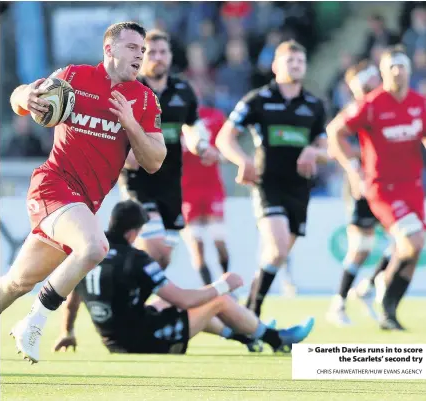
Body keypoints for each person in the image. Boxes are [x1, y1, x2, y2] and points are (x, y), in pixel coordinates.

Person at [0, 22, 167, 363]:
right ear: (109, 49)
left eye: (142, 50)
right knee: (95, 247)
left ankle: (29, 314)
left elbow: (155, 161)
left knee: (15, 283)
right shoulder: (75, 77)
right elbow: (21, 96)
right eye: (133, 47)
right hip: (53, 184)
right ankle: (34, 321)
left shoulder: (145, 99)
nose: (140, 54)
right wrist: (24, 96)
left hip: (82, 205)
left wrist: (131, 123)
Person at [52, 200, 315, 355]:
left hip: (112, 340)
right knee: (217, 302)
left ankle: (247, 337)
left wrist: (68, 331)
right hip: (140, 342)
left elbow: (73, 298)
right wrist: (223, 285)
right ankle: (276, 340)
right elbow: (184, 299)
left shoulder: (91, 252)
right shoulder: (136, 259)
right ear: (134, 233)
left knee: (166, 306)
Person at [216, 40, 329, 318]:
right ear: (276, 66)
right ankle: (252, 311)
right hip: (268, 185)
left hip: (300, 188)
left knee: (274, 257)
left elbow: (327, 150)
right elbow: (224, 138)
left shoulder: (314, 105)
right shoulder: (258, 100)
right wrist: (243, 160)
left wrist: (313, 151)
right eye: (290, 61)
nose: (296, 66)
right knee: (277, 251)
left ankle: (249, 310)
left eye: (300, 61)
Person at [327, 46, 426, 330]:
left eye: (401, 65)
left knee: (412, 250)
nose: (397, 70)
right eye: (391, 66)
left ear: (409, 69)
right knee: (409, 241)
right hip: (382, 188)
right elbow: (335, 131)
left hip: (413, 187)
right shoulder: (370, 104)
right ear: (383, 73)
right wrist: (353, 169)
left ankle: (388, 310)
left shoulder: (420, 103)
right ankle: (371, 285)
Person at [119, 30, 216, 269]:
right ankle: (115, 279)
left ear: (171, 56)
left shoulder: (183, 91)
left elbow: (193, 127)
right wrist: (124, 154)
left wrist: (201, 145)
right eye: (151, 52)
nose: (158, 57)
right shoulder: (128, 89)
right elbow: (111, 132)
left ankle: (130, 293)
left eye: (163, 52)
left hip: (171, 182)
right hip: (139, 182)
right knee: (155, 247)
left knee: (162, 260)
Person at [326, 60, 385, 326]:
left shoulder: (390, 103)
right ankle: (339, 302)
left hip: (393, 183)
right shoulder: (358, 109)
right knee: (360, 248)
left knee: (406, 239)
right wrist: (353, 169)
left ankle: (368, 286)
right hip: (365, 183)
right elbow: (334, 136)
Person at [181, 104, 229, 285]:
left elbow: (227, 146)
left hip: (211, 188)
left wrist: (221, 156)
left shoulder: (215, 116)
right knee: (196, 245)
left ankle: (227, 287)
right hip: (186, 190)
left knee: (219, 241)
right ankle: (209, 292)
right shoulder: (174, 116)